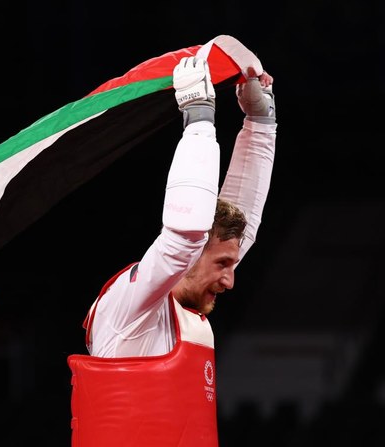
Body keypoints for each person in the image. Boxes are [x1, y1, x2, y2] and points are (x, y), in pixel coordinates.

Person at [67, 56, 277, 447]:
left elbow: (237, 228)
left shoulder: (184, 309)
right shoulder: (130, 308)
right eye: (223, 265)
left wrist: (261, 123)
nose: (231, 280)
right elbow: (186, 234)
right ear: (193, 252)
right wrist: (198, 116)